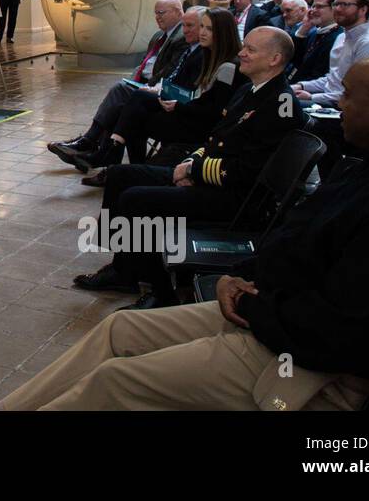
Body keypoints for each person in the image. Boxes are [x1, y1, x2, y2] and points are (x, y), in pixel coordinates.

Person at [0, 56, 369, 411]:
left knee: (118, 382)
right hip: (266, 311)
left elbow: (350, 335)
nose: (337, 106)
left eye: (349, 97)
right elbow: (295, 236)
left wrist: (252, 305)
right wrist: (241, 276)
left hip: (306, 366)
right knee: (118, 331)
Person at [70, 26, 304, 309]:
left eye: (251, 50)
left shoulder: (281, 103)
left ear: (275, 59)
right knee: (121, 175)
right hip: (213, 177)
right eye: (244, 46)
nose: (241, 52)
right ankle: (125, 267)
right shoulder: (249, 90)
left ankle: (161, 292)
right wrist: (191, 162)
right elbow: (217, 138)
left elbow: (248, 171)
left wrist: (194, 172)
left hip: (235, 196)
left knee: (137, 200)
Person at [69, 9, 243, 174]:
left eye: (209, 29)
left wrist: (178, 106)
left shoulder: (226, 66)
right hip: (190, 114)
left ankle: (116, 158)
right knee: (133, 106)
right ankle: (122, 163)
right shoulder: (209, 56)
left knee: (135, 110)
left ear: (222, 32)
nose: (202, 32)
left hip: (199, 127)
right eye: (203, 27)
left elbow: (214, 111)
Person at [48, 0, 192, 160]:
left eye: (161, 13)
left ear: (178, 12)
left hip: (157, 89)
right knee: (119, 101)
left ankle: (90, 143)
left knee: (120, 92)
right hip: (144, 83)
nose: (157, 17)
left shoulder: (181, 38)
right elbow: (143, 64)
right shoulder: (159, 35)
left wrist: (139, 87)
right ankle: (100, 153)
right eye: (155, 13)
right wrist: (132, 81)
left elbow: (168, 72)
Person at [291, 0, 369, 107]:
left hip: (346, 108)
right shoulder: (341, 37)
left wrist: (312, 97)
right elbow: (333, 80)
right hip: (328, 99)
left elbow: (358, 93)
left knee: (284, 107)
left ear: (363, 9)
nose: (338, 9)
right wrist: (301, 85)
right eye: (336, 4)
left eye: (344, 5)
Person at [293, 0, 343, 82]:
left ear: (334, 8)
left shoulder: (339, 37)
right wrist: (304, 28)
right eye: (313, 6)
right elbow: (294, 60)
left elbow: (321, 74)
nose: (313, 10)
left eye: (319, 7)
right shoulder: (313, 32)